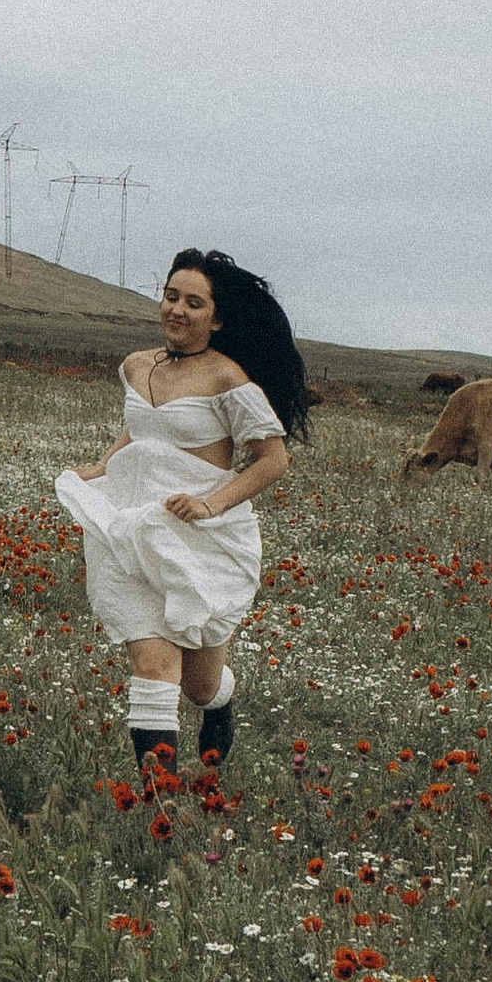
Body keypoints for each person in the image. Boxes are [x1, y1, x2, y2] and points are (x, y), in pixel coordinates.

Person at [56, 248, 309, 781]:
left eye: (194, 303)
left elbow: (273, 459)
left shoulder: (228, 379)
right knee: (152, 665)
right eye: (172, 297)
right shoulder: (136, 365)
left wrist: (208, 504)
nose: (178, 310)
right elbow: (142, 427)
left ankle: (220, 702)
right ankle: (159, 808)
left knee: (197, 686)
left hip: (201, 537)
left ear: (216, 319)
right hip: (132, 529)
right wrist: (101, 467)